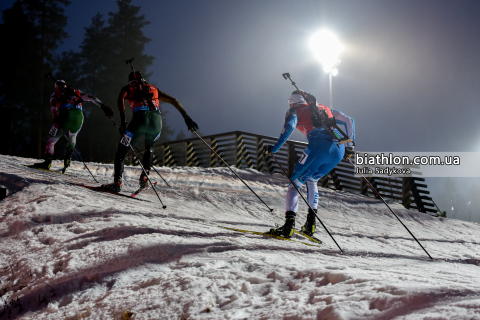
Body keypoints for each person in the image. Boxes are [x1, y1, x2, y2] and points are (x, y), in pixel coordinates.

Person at [265, 89, 355, 238]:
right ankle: (310, 225)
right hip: (338, 151)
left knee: (294, 185)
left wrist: (274, 148)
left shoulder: (294, 110)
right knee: (312, 180)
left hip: (318, 148)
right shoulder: (323, 108)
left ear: (292, 102)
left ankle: (288, 227)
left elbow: (289, 128)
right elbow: (349, 120)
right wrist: (350, 147)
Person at [101, 71, 198, 192]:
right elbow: (173, 100)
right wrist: (187, 118)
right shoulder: (154, 88)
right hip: (156, 122)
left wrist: (123, 121)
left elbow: (121, 99)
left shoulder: (128, 88)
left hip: (139, 120)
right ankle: (144, 178)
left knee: (121, 152)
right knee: (149, 148)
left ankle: (117, 182)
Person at [32, 80, 113, 170]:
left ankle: (47, 163)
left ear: (56, 86)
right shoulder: (76, 91)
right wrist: (103, 106)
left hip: (65, 115)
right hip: (79, 117)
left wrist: (55, 118)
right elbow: (92, 98)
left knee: (50, 141)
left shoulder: (55, 93)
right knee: (73, 136)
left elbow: (53, 105)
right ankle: (67, 161)